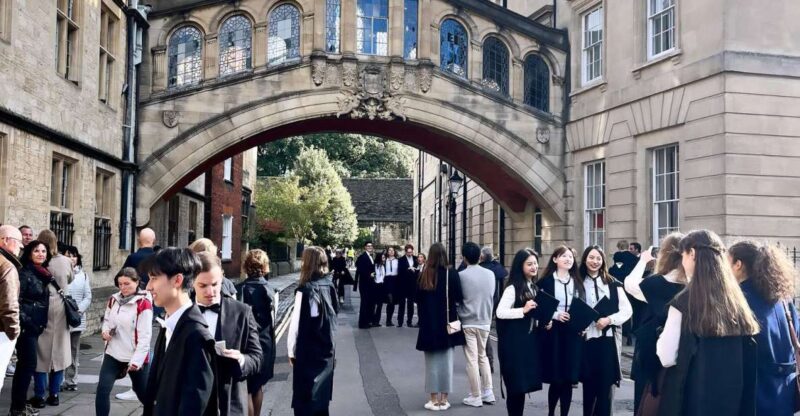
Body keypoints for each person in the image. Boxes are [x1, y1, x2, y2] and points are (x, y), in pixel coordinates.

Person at [656, 229, 760, 416]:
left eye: (683, 255)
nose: (682, 261)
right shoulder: (737, 299)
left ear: (692, 254)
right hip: (732, 400)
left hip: (693, 400)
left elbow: (667, 356)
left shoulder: (684, 302)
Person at [143, 247, 218, 416]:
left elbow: (194, 404)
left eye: (154, 278)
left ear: (177, 280)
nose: (148, 287)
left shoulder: (196, 335)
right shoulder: (169, 325)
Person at [729, 241, 799, 416]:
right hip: (785, 395)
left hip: (754, 397)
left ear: (738, 265)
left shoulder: (738, 301)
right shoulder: (782, 299)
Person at [194, 251, 262, 416]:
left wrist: (240, 358)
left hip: (230, 403)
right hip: (193, 404)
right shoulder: (182, 312)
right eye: (203, 286)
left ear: (223, 277)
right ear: (191, 282)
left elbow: (257, 357)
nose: (210, 292)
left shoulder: (241, 312)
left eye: (215, 284)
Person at [622, 232, 683, 414]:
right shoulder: (693, 284)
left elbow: (630, 284)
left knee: (646, 398)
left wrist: (643, 260)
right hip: (683, 351)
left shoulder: (656, 283)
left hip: (652, 349)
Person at [579, 245, 632, 416]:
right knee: (588, 388)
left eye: (598, 258)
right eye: (591, 257)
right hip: (586, 341)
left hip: (607, 341)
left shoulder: (613, 283)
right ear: (585, 259)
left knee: (606, 389)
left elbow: (627, 310)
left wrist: (609, 319)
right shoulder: (578, 283)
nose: (595, 261)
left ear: (603, 261)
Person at [288, 247, 339, 416]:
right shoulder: (330, 285)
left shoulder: (305, 289)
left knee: (304, 403)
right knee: (321, 402)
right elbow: (333, 318)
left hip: (307, 352)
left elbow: (295, 326)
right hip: (326, 352)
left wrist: (291, 352)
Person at [95, 267, 152, 416]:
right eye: (120, 284)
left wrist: (136, 361)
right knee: (102, 390)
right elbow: (107, 319)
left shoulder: (143, 303)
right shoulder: (114, 299)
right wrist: (105, 331)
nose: (123, 287)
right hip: (113, 353)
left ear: (137, 282)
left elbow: (145, 336)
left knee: (144, 394)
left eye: (127, 284)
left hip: (134, 357)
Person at [415, 243, 465, 411]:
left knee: (431, 364)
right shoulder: (452, 274)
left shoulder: (425, 273)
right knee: (447, 362)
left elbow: (417, 298)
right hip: (447, 323)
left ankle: (433, 399)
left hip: (429, 324)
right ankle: (444, 399)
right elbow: (459, 296)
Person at [496, 248, 544, 416]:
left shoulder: (534, 288)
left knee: (522, 387)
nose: (534, 267)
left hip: (528, 344)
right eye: (529, 264)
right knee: (515, 387)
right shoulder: (512, 289)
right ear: (520, 265)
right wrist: (522, 310)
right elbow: (500, 312)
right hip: (514, 345)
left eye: (535, 263)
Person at [538, 246, 584, 416]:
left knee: (569, 378)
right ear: (555, 259)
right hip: (554, 332)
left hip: (573, 332)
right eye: (564, 256)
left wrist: (581, 323)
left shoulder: (577, 281)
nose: (568, 259)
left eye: (571, 257)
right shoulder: (546, 282)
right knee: (557, 378)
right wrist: (555, 315)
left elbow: (583, 305)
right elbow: (540, 305)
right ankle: (551, 412)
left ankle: (564, 413)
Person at [30, 230, 71, 408]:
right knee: (59, 353)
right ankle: (54, 394)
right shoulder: (65, 261)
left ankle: (39, 394)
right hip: (61, 308)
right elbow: (70, 278)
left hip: (42, 306)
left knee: (41, 353)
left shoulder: (36, 261)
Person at [11, 241, 51, 416]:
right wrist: (28, 323)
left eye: (43, 251)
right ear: (29, 253)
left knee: (27, 366)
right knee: (27, 366)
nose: (41, 254)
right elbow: (16, 302)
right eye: (36, 251)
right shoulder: (24, 273)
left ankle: (18, 406)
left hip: (35, 327)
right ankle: (17, 409)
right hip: (26, 327)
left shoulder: (42, 273)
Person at [237, 249, 278, 416]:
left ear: (246, 266)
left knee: (245, 387)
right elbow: (274, 320)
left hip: (244, 342)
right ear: (265, 266)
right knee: (258, 386)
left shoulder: (239, 289)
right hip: (265, 342)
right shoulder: (271, 290)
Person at [456, 242, 495, 407]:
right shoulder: (490, 274)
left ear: (464, 258)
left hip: (468, 321)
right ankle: (488, 392)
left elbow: (459, 299)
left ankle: (475, 395)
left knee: (471, 359)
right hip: (485, 320)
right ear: (479, 256)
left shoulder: (461, 276)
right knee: (483, 357)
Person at [60, 246, 90, 392]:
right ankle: (58, 379)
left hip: (76, 318)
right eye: (68, 255)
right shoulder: (59, 273)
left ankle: (71, 380)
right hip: (60, 317)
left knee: (73, 350)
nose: (71, 258)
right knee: (59, 349)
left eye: (74, 256)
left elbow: (88, 296)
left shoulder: (83, 275)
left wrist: (78, 310)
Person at [478, 246, 507, 372]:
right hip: (493, 302)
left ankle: (485, 362)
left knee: (482, 334)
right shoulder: (495, 267)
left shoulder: (480, 268)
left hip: (480, 304)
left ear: (481, 256)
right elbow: (504, 273)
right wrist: (495, 261)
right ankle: (488, 362)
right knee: (486, 332)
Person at [0, 226, 22, 393]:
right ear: (5, 240)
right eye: (18, 242)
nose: (21, 247)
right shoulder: (7, 266)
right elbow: (9, 304)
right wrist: (14, 331)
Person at [397, 244, 419, 328]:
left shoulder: (416, 259)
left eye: (411, 252)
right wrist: (408, 269)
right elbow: (400, 271)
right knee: (401, 304)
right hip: (403, 285)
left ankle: (409, 321)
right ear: (405, 252)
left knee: (410, 305)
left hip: (412, 285)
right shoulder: (401, 260)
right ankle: (400, 322)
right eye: (408, 252)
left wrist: (414, 270)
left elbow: (418, 269)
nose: (410, 254)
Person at [355, 242, 375, 329]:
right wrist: (369, 275)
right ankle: (362, 323)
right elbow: (360, 269)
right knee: (364, 303)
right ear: (365, 247)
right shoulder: (362, 257)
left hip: (370, 283)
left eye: (371, 246)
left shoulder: (371, 256)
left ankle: (368, 321)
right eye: (368, 246)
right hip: (364, 284)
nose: (370, 247)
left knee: (369, 303)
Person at [383, 247, 400, 326]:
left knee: (392, 302)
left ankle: (389, 320)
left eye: (393, 250)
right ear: (387, 252)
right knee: (389, 300)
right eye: (389, 250)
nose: (391, 251)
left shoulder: (397, 261)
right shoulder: (384, 261)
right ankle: (387, 320)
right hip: (386, 281)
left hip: (395, 281)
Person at [372, 251, 387, 327]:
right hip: (375, 286)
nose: (384, 259)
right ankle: (372, 320)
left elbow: (383, 277)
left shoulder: (383, 266)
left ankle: (377, 321)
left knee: (380, 305)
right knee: (373, 304)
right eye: (383, 257)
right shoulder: (374, 266)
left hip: (381, 286)